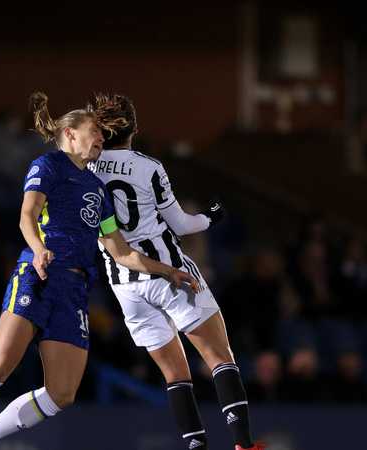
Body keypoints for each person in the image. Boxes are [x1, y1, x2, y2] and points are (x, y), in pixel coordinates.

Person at [0, 92, 198, 450]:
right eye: (95, 132)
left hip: (74, 288)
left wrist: (167, 270)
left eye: (104, 135)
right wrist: (40, 250)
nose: (102, 138)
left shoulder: (98, 190)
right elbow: (27, 216)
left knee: (62, 393)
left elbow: (120, 252)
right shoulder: (48, 165)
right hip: (39, 274)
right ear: (70, 132)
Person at [88, 93, 263, 450]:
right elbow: (181, 225)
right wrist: (212, 216)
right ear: (134, 128)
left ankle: (196, 446)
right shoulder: (148, 167)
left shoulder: (87, 168)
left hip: (124, 286)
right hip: (169, 274)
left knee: (175, 375)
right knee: (219, 357)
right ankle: (244, 445)